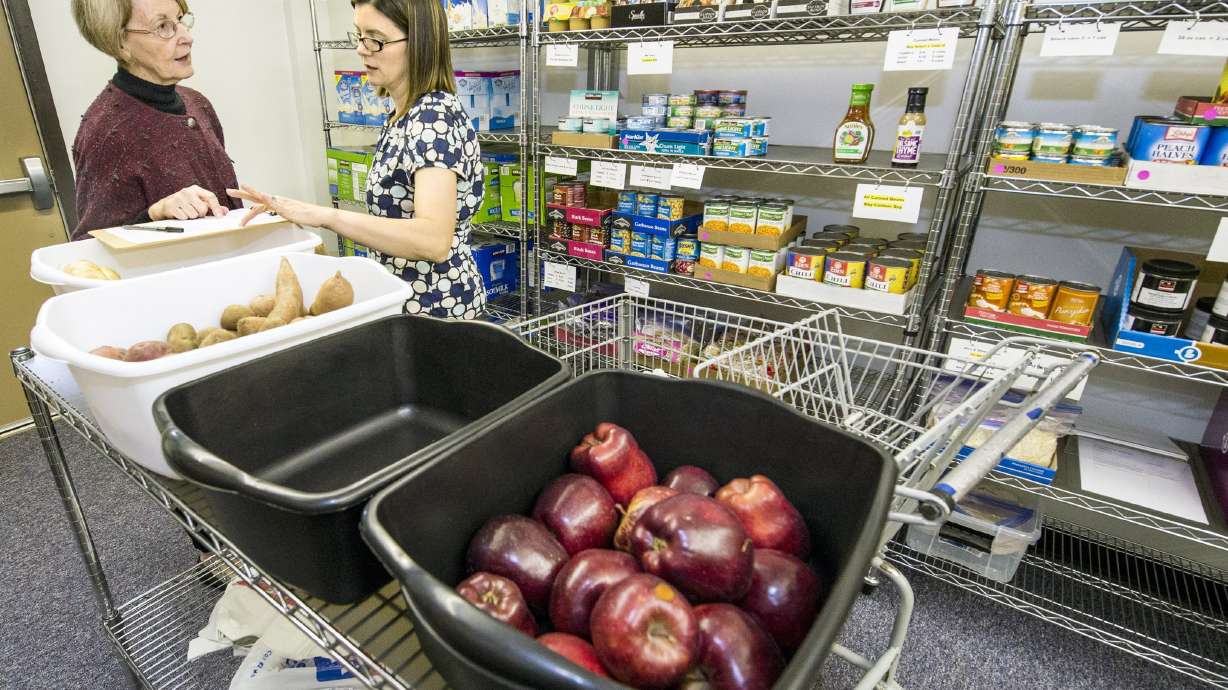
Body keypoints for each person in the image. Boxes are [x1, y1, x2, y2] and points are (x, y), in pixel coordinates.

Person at [230, 0, 486, 319]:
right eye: (359, 36)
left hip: (435, 315)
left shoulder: (432, 119)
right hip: (410, 307)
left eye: (375, 39)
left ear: (419, 43)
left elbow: (433, 240)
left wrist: (327, 217)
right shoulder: (404, 116)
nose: (363, 50)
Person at [70, 0, 239, 240]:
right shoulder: (106, 132)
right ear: (120, 43)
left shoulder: (196, 102)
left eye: (180, 20)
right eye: (163, 26)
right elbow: (90, 245)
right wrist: (153, 215)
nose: (186, 37)